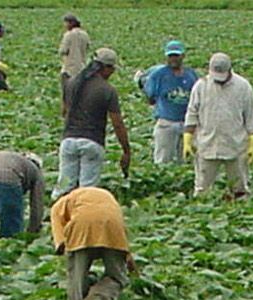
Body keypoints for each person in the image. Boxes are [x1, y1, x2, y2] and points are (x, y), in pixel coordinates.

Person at [183, 53, 253, 200]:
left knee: (240, 188)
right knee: (202, 188)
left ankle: (242, 211)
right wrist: (187, 139)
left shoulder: (243, 86)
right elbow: (192, 113)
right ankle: (201, 211)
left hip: (236, 144)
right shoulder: (201, 86)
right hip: (207, 144)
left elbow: (251, 116)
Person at [50, 186, 136, 300]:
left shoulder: (58, 205)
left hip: (82, 225)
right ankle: (99, 297)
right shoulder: (106, 196)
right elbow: (121, 240)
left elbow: (61, 243)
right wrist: (129, 262)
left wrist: (68, 256)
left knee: (77, 281)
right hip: (112, 225)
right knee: (117, 277)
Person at [59, 48, 131, 194]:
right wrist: (126, 150)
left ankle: (57, 214)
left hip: (68, 142)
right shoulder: (107, 90)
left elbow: (64, 112)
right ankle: (84, 216)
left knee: (64, 186)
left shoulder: (71, 83)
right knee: (87, 191)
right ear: (105, 68)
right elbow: (117, 123)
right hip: (92, 143)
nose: (112, 73)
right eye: (112, 69)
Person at [142, 40, 199, 165]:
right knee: (162, 158)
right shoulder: (158, 75)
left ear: (183, 56)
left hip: (187, 123)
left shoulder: (191, 75)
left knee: (185, 159)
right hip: (166, 122)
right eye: (170, 56)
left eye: (176, 56)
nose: (173, 59)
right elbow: (150, 96)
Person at [59, 13, 90, 84]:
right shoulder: (85, 34)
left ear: (71, 23)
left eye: (66, 23)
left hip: (69, 69)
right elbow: (87, 47)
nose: (64, 25)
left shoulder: (68, 35)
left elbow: (63, 51)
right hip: (82, 68)